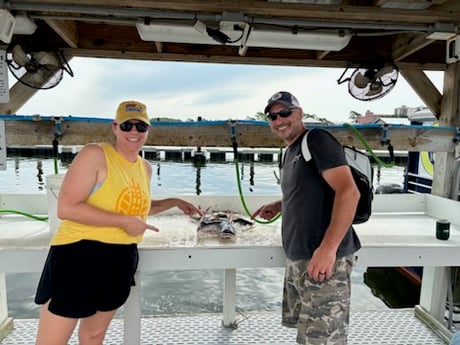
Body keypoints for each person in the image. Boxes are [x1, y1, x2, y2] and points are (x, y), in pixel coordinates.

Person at [34, 100, 202, 345]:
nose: (133, 132)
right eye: (127, 125)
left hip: (121, 257)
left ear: (148, 130)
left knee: (94, 335)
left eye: (140, 127)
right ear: (115, 127)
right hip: (79, 254)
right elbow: (67, 208)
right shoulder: (95, 154)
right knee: (52, 341)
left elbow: (136, 207)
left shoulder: (144, 167)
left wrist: (174, 202)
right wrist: (123, 222)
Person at [252, 91, 361, 345]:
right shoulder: (290, 151)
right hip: (300, 260)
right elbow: (311, 191)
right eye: (272, 116)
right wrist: (280, 205)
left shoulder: (317, 140)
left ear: (300, 113)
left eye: (285, 113)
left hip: (324, 262)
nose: (279, 120)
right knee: (308, 336)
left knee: (324, 340)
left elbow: (349, 192)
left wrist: (328, 249)